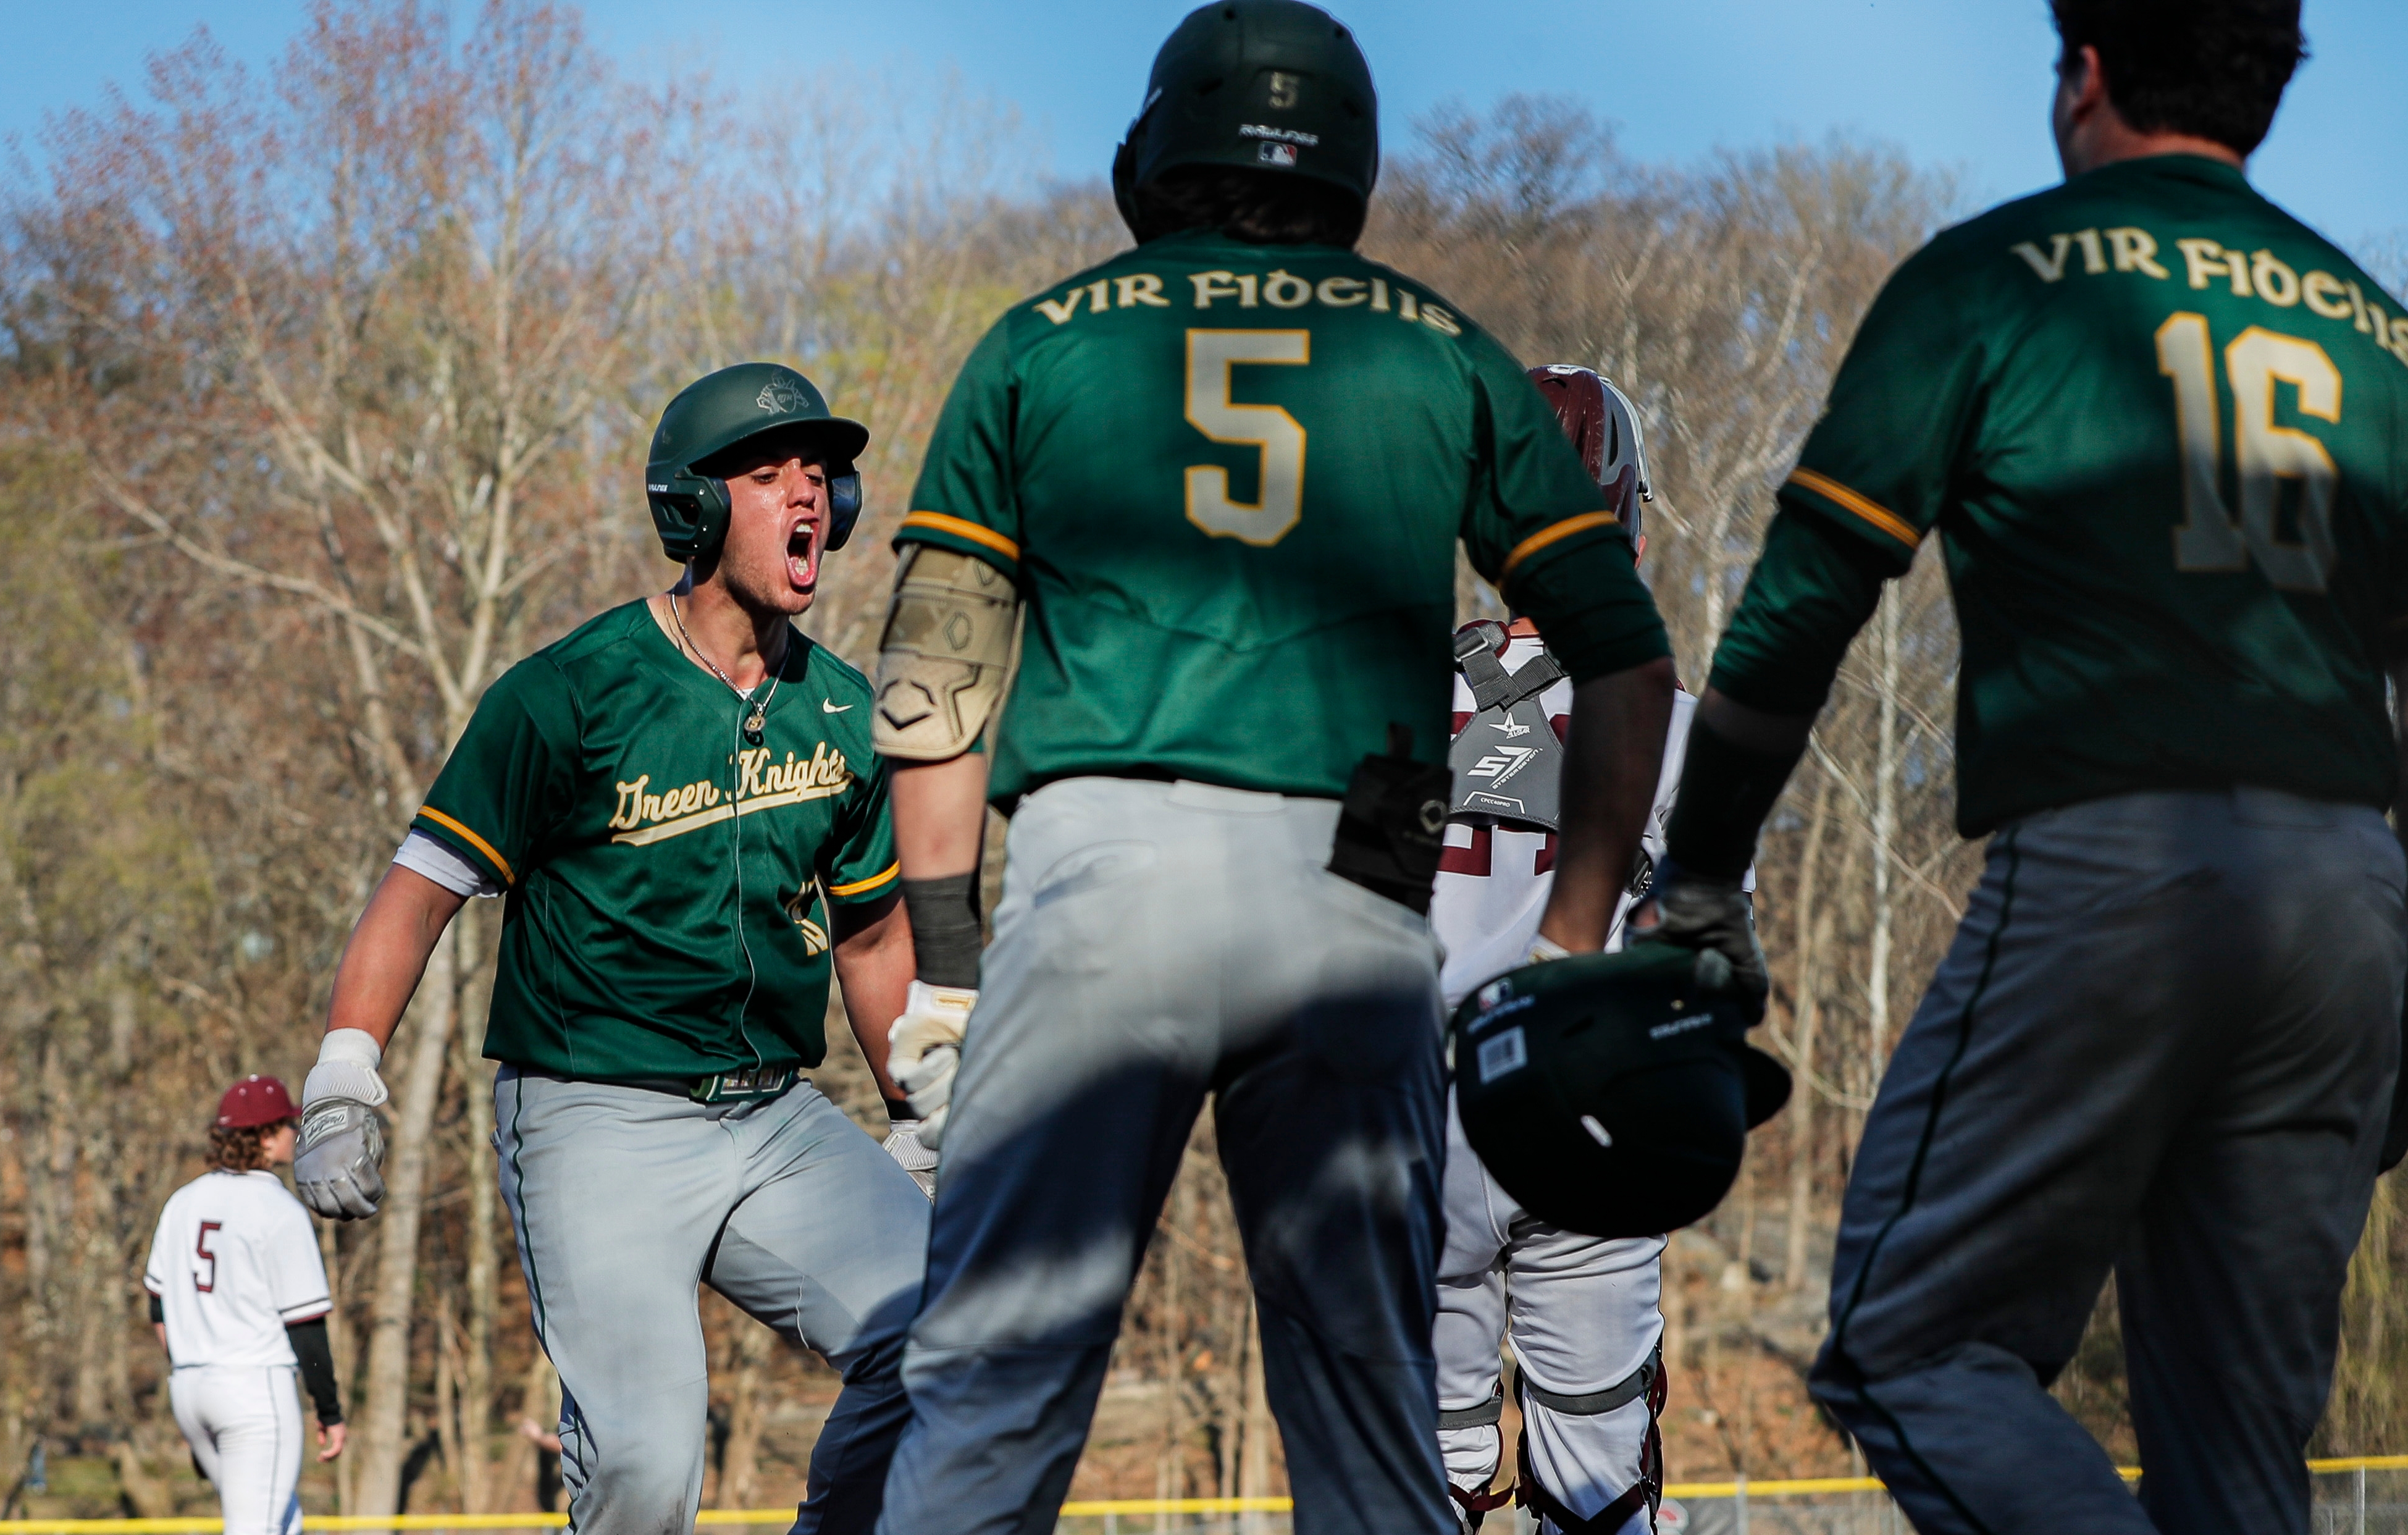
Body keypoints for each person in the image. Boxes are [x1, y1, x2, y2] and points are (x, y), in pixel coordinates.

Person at [863, 5, 1680, 1529]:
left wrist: (949, 962)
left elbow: (934, 686)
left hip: (1104, 868)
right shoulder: (1441, 347)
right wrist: (1573, 950)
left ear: (1160, 147)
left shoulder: (1041, 339)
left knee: (998, 1387)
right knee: (1369, 1420)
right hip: (1361, 897)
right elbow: (1624, 659)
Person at [1645, 4, 2408, 1533]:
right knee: (2242, 1447)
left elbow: (1806, 598)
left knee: (1903, 1346)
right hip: (2349, 890)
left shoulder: (1996, 275)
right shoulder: (2378, 330)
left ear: (2087, 73)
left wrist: (1708, 866)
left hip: (2123, 865)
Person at [288, 363, 928, 1535]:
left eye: (818, 476)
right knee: (642, 1467)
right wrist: (343, 1072)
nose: (806, 494)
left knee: (952, 1334)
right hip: (598, 1116)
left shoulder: (842, 711)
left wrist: (920, 1111)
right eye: (767, 472)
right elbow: (420, 891)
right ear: (690, 506)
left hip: (772, 1117)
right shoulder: (571, 694)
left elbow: (874, 933)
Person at [1433, 368, 1698, 1535]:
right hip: (1583, 1124)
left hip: (1411, 1120)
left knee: (1412, 1487)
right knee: (1597, 1501)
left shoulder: (1388, 694)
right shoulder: (1676, 721)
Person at [144, 1075, 346, 1535]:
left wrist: (189, 1368)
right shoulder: (279, 1210)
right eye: (287, 1125)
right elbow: (306, 1324)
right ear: (265, 1135)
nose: (295, 1134)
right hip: (253, 1392)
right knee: (255, 1526)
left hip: (191, 1389)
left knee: (281, 1517)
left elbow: (157, 1305)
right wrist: (329, 1409)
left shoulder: (183, 1200)